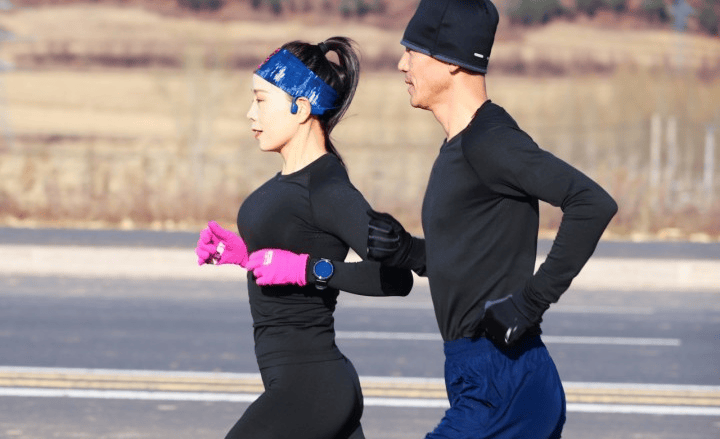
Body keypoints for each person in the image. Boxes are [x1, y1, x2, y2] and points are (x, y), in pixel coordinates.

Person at [365, 1, 618, 438]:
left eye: (412, 50)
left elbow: (591, 202)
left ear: (450, 60)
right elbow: (472, 256)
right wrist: (407, 252)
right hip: (488, 374)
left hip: (500, 381)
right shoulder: (461, 145)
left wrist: (530, 302)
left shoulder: (490, 141)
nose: (401, 63)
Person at [194, 37, 414, 439]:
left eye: (261, 100)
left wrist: (309, 269)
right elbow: (292, 245)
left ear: (301, 107)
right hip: (304, 385)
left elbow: (396, 278)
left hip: (312, 387)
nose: (250, 113)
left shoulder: (327, 188)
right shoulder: (290, 183)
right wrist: (246, 254)